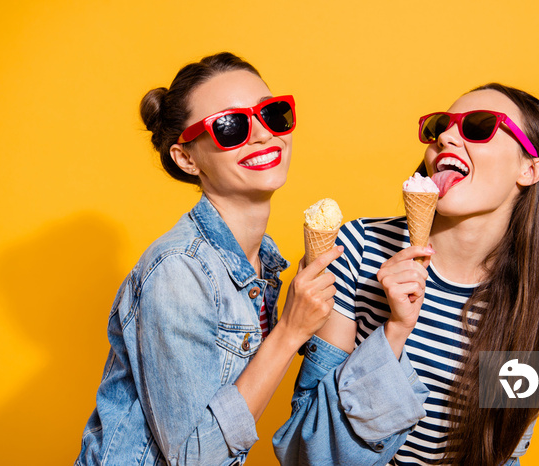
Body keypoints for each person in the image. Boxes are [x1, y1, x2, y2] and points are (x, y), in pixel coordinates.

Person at [273, 83, 539, 466]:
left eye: (480, 127)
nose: (446, 137)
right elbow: (312, 447)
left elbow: (504, 443)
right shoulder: (358, 247)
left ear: (530, 170)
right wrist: (395, 331)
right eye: (440, 126)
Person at [75, 52, 342, 465]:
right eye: (230, 126)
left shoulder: (260, 266)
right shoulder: (179, 269)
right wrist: (290, 330)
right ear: (186, 158)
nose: (261, 135)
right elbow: (193, 458)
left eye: (271, 113)